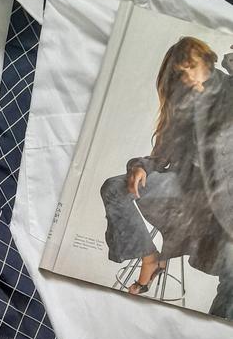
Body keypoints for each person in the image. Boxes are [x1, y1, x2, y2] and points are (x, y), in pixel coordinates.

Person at [100, 37, 233, 318]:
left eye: (192, 67)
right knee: (114, 188)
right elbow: (162, 154)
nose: (189, 77)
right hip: (182, 188)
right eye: (182, 73)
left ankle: (214, 331)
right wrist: (142, 167)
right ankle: (150, 259)